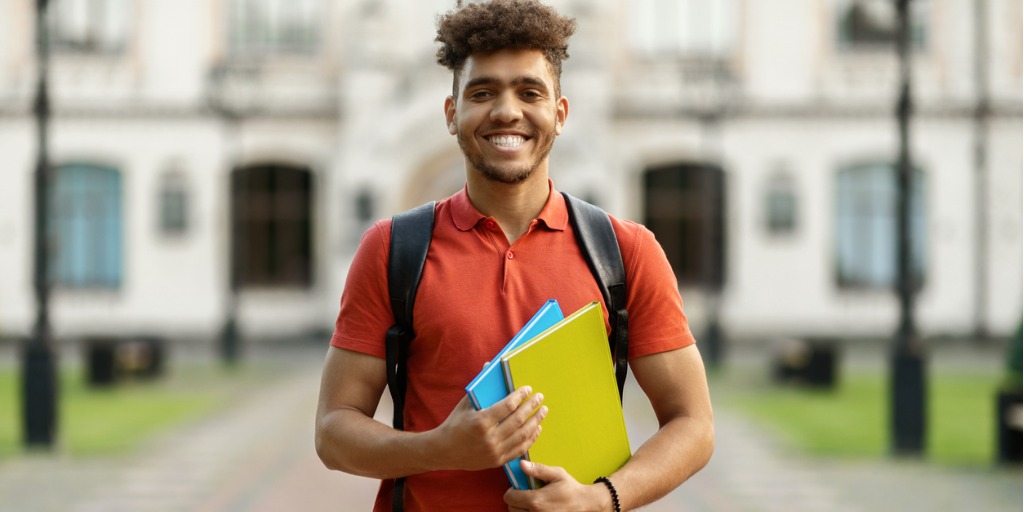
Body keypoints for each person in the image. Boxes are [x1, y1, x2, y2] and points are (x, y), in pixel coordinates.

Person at [315, 1, 714, 510]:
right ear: (451, 113)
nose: (507, 111)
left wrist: (601, 499)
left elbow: (694, 424)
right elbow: (332, 432)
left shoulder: (625, 250)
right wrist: (441, 447)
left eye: (530, 92)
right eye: (482, 92)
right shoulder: (392, 249)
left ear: (560, 113)